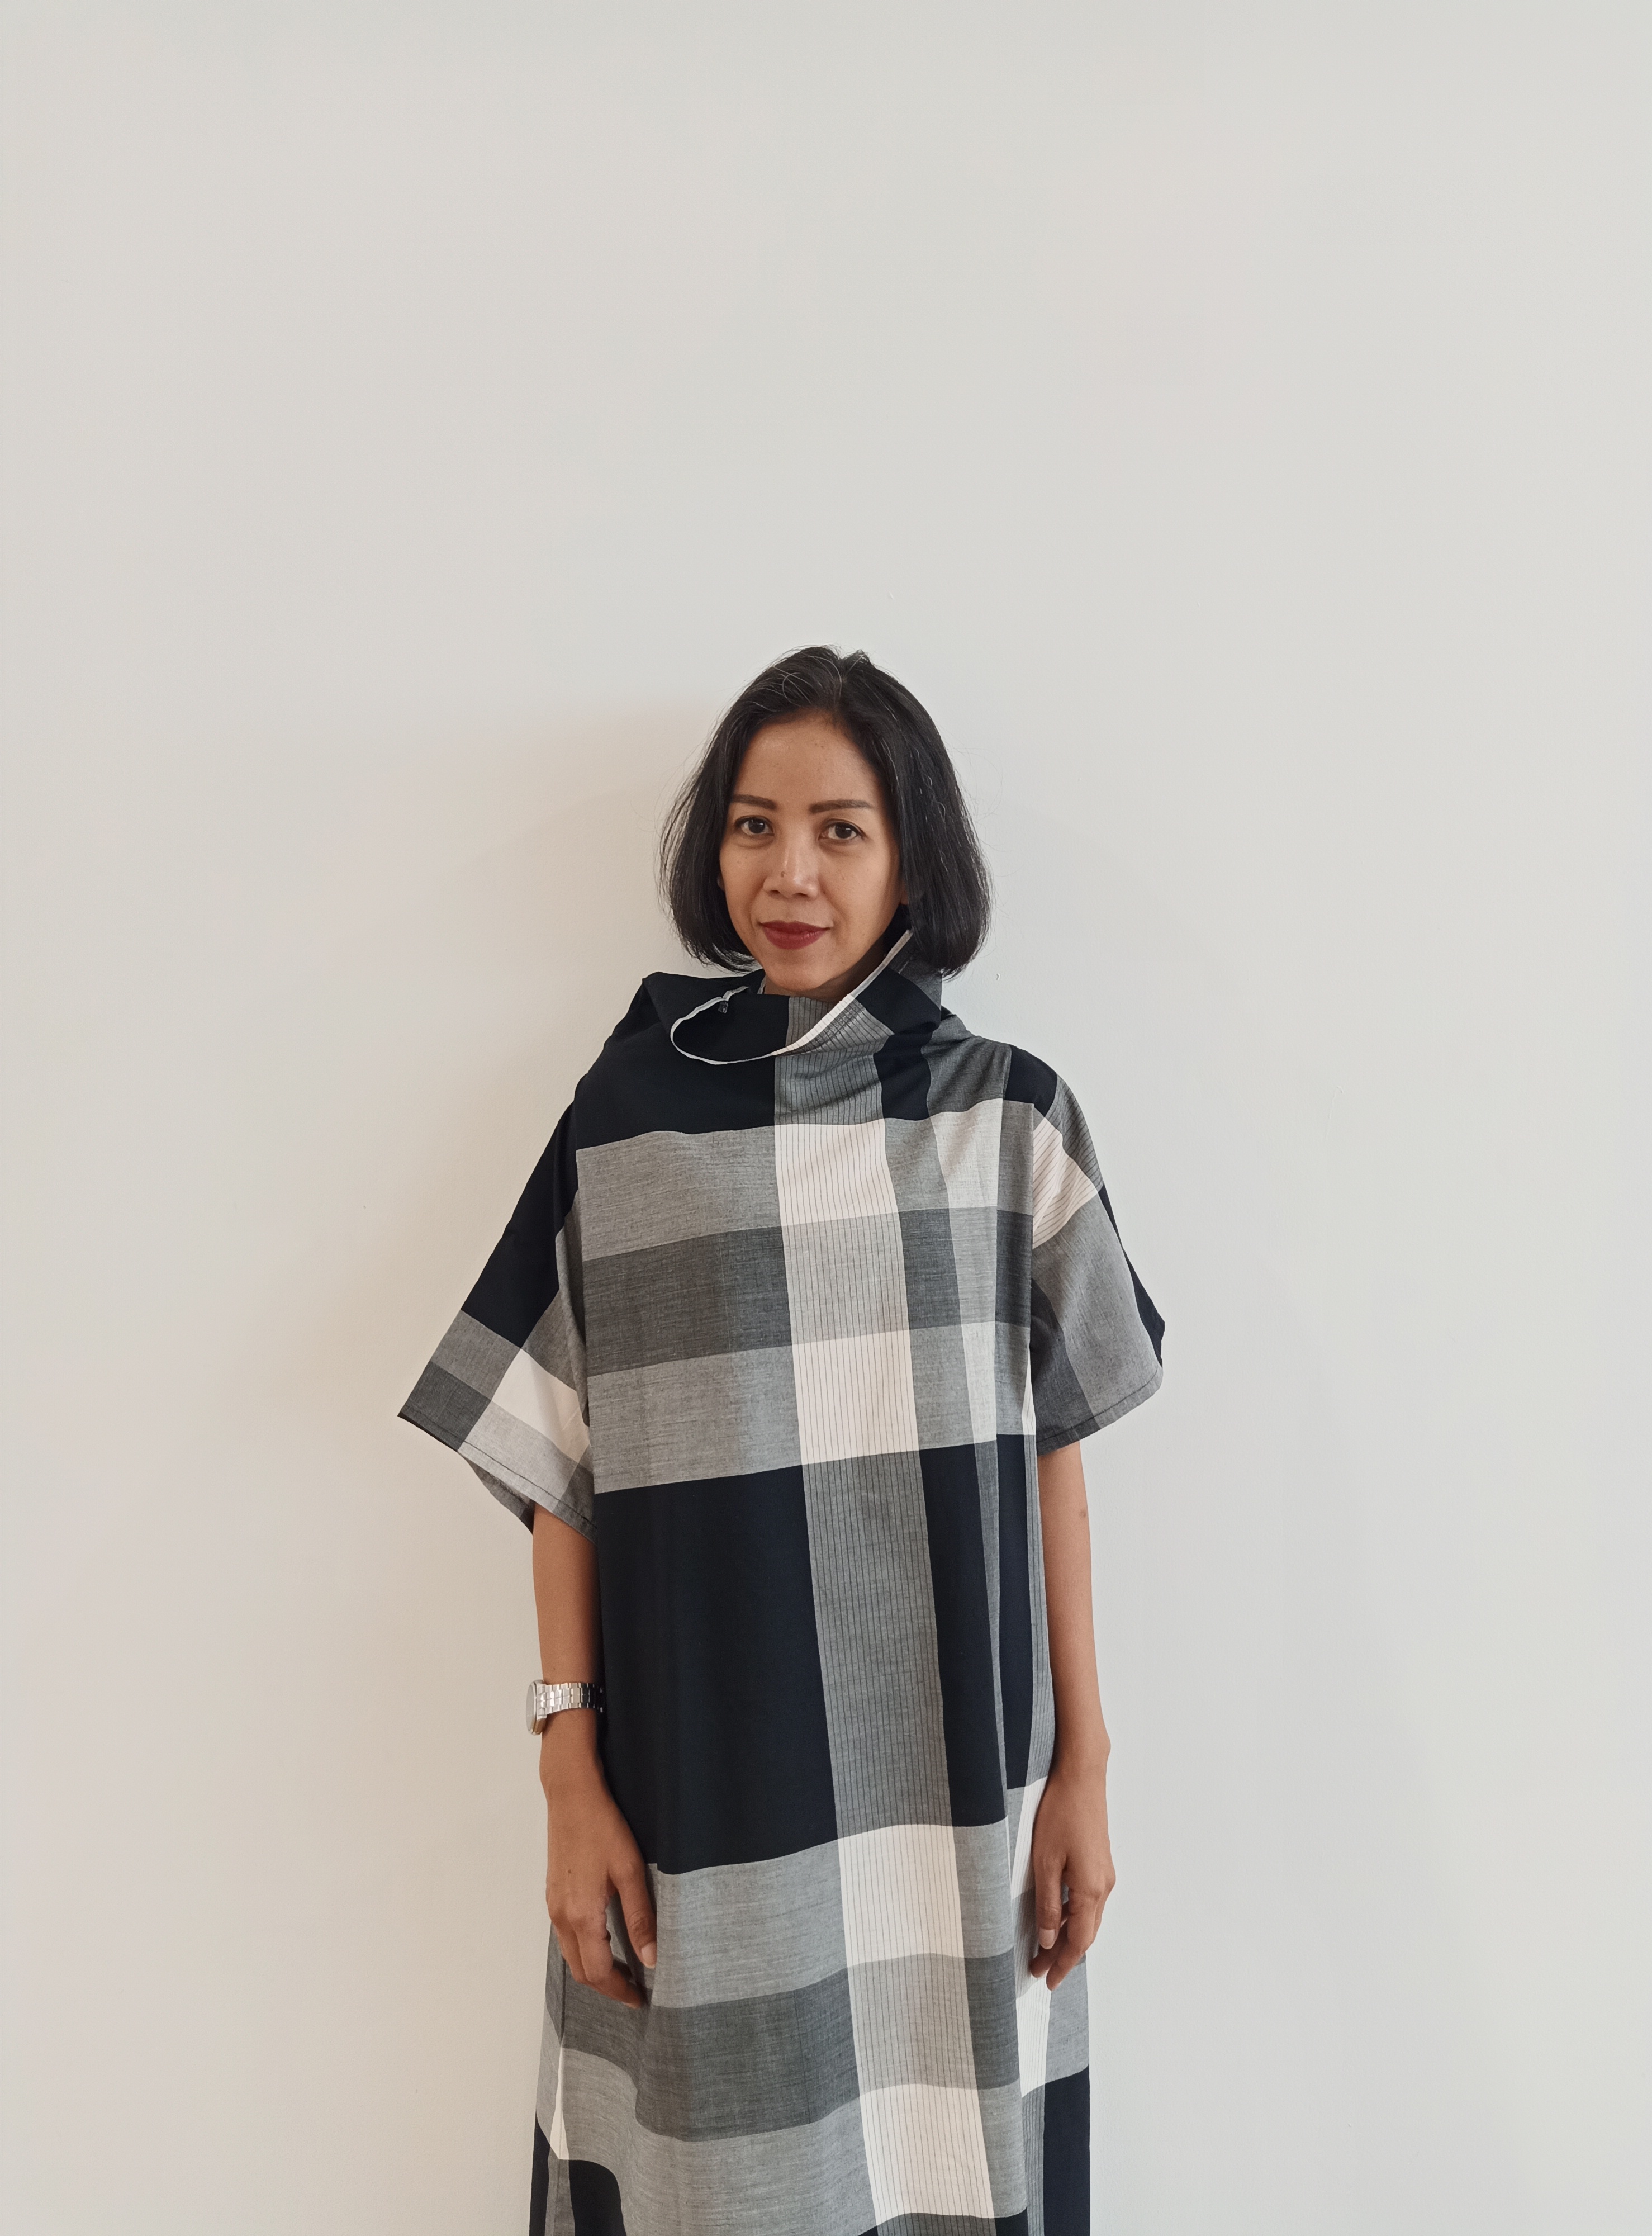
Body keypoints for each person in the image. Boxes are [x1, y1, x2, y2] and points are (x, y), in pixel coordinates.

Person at [400, 646, 1164, 2236]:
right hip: (703, 1782)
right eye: (754, 826)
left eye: (839, 829)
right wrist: (567, 1773)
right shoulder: (628, 1122)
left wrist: (1085, 1769)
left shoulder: (1008, 1122)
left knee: (954, 2155)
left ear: (913, 861)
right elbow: (561, 1470)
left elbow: (1058, 1453)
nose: (789, 873)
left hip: (954, 1783)